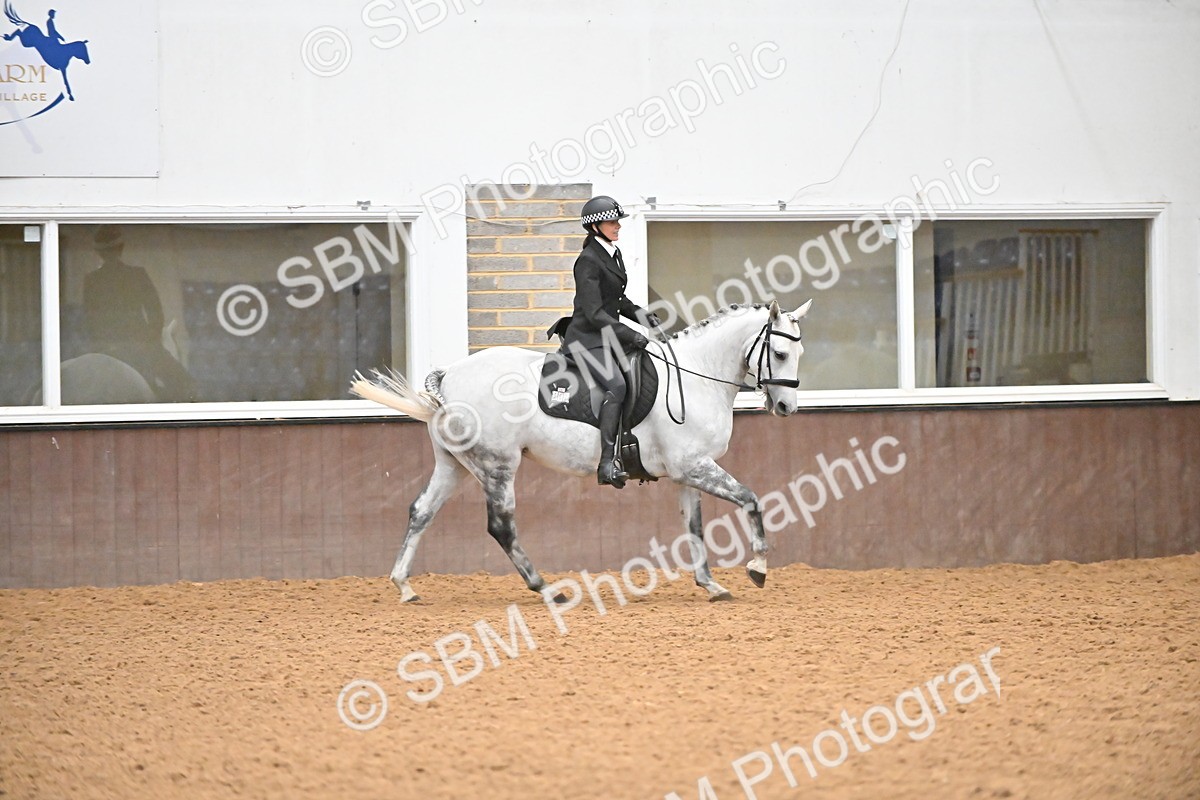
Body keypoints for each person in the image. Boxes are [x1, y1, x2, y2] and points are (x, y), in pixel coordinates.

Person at [549, 196, 660, 489]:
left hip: (606, 336)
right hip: (586, 339)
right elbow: (595, 312)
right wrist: (630, 334)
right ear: (596, 226)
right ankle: (608, 462)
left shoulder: (613, 253)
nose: (618, 226)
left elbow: (617, 300)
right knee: (617, 385)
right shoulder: (587, 262)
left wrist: (644, 318)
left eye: (618, 221)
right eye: (613, 222)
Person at [82, 225, 196, 402]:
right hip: (139, 341)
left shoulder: (91, 280)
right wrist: (150, 340)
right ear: (121, 248)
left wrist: (100, 343)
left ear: (99, 252)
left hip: (105, 345)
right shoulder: (137, 274)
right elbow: (155, 311)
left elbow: (89, 318)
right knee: (184, 383)